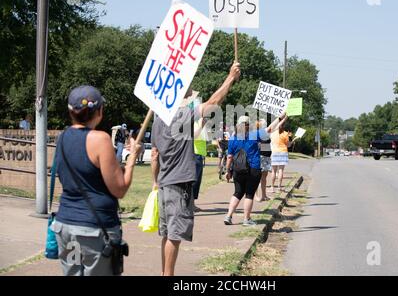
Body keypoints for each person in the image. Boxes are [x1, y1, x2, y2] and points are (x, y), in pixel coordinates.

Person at [151, 62, 241, 276]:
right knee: (174, 235)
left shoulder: (157, 121)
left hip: (164, 183)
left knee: (167, 234)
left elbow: (155, 155)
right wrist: (230, 78)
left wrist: (155, 182)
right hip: (178, 183)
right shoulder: (181, 116)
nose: (190, 88)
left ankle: (166, 272)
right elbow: (214, 102)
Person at [51, 85, 141, 276]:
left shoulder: (63, 137)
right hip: (94, 230)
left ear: (70, 111)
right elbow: (120, 189)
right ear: (99, 111)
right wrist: (132, 159)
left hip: (66, 227)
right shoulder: (100, 139)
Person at [224, 113, 287, 226]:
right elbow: (270, 129)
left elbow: (229, 157)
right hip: (253, 169)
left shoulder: (233, 138)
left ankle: (228, 216)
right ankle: (246, 219)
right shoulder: (254, 134)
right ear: (249, 125)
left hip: (238, 170)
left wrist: (227, 171)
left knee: (237, 193)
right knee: (249, 194)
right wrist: (279, 118)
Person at [270, 121, 291, 192]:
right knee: (281, 170)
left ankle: (272, 187)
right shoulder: (285, 134)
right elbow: (288, 145)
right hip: (283, 152)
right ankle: (279, 187)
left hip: (274, 152)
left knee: (273, 171)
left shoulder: (273, 133)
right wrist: (291, 142)